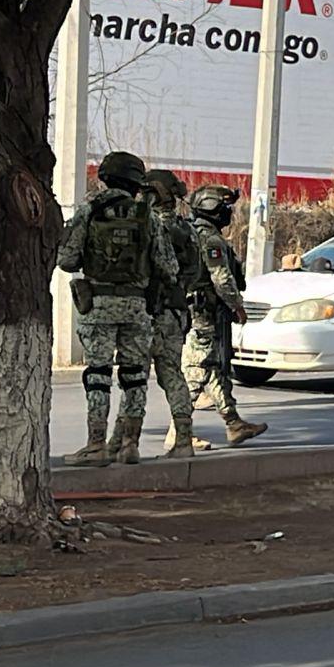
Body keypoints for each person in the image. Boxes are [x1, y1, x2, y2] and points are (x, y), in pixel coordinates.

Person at [57, 151, 177, 466]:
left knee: (98, 374)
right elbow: (169, 267)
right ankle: (129, 445)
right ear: (136, 182)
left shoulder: (90, 211)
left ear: (105, 176)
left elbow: (66, 260)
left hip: (97, 305)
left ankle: (96, 444)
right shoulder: (148, 216)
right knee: (135, 376)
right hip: (138, 307)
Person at [182, 184, 268, 447]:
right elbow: (221, 279)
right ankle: (178, 432)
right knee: (198, 371)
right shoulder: (210, 239)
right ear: (213, 208)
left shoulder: (193, 233)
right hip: (205, 314)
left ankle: (233, 423)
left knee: (217, 369)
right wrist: (237, 305)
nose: (229, 213)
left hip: (204, 312)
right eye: (226, 207)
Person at [136, 169, 207, 457]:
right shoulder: (187, 229)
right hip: (176, 311)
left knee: (135, 377)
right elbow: (195, 273)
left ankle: (126, 442)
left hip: (147, 311)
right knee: (172, 375)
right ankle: (183, 440)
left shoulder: (147, 225)